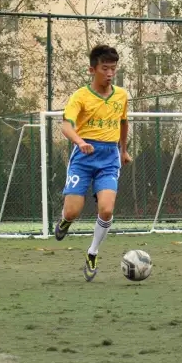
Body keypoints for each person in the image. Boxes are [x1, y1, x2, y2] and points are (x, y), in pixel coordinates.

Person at [54, 44, 132, 282]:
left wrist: (123, 150)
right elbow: (66, 125)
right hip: (83, 158)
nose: (110, 73)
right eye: (105, 68)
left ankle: (92, 253)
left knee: (106, 209)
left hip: (109, 158)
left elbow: (123, 123)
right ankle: (65, 221)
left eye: (113, 69)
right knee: (73, 211)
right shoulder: (80, 96)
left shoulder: (121, 95)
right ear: (92, 70)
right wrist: (79, 142)